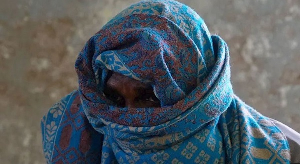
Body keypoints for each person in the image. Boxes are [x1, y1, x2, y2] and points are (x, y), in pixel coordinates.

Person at [41, 0, 300, 163]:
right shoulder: (80, 136)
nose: (132, 120)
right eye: (116, 100)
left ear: (197, 96)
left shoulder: (286, 154)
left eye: (149, 97)